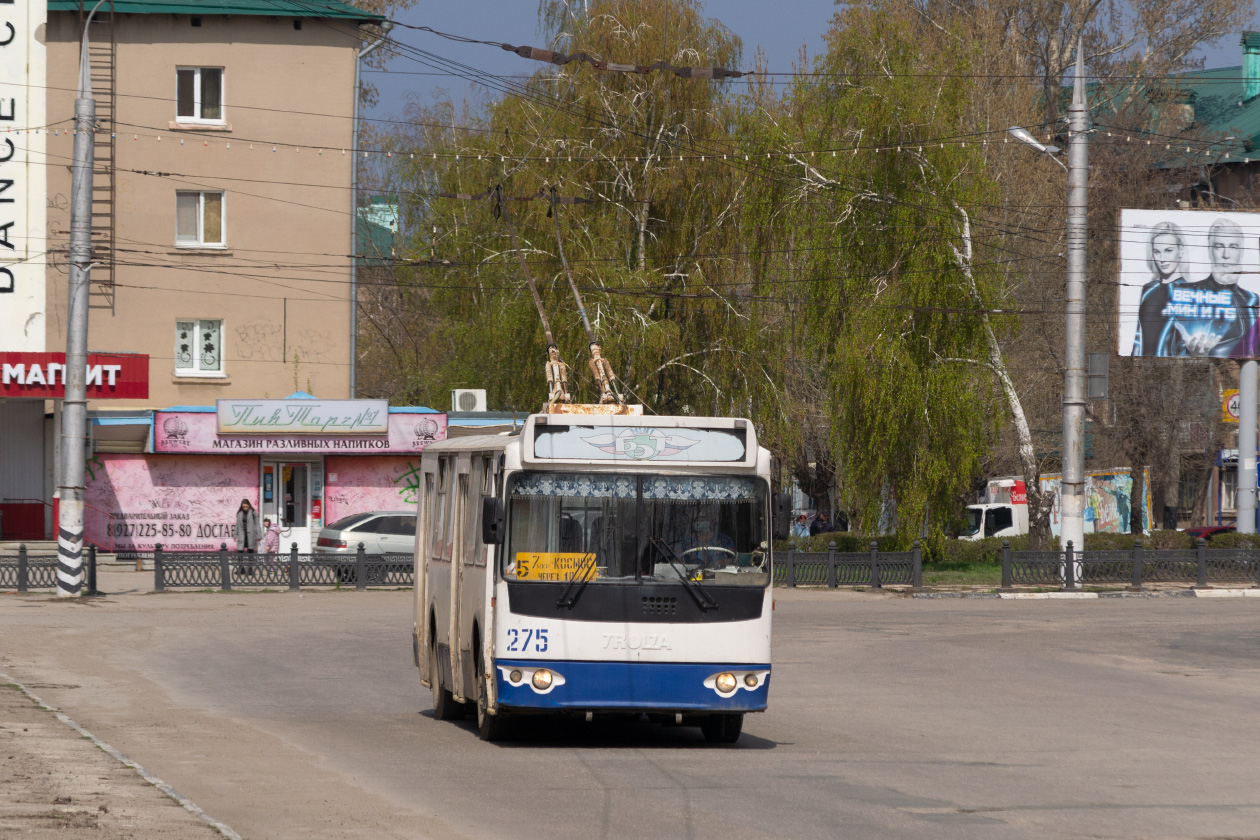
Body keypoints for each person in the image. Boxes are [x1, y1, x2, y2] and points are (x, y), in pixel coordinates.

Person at [1165, 219, 1258, 357]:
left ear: (1241, 252)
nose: (1226, 255)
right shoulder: (1187, 293)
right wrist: (1190, 353)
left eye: (1233, 247)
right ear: (1209, 251)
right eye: (1219, 246)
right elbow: (1171, 348)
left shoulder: (1253, 300)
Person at [1131, 222, 1191, 356]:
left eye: (1168, 251)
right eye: (1157, 252)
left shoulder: (1189, 292)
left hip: (1174, 370)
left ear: (1180, 250)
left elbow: (1186, 344)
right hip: (1142, 369)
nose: (1162, 259)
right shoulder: (1148, 289)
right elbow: (1138, 337)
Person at [235, 498, 261, 575]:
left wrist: (259, 535)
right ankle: (240, 568)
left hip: (250, 535)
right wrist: (235, 535)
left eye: (246, 506)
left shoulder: (253, 512)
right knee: (240, 552)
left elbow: (257, 524)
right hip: (242, 535)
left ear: (249, 505)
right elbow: (237, 525)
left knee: (250, 552)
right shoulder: (239, 514)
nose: (245, 508)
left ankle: (250, 569)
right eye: (244, 507)